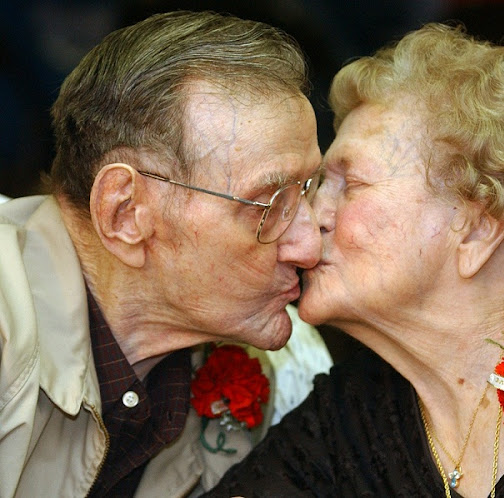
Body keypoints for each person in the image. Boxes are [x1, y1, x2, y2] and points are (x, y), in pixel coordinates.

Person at [209, 23, 504, 497]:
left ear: (477, 226)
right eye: (317, 187)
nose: (310, 219)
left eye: (348, 184)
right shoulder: (347, 421)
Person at [0, 10, 333, 498]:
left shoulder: (271, 376)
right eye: (269, 205)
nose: (310, 245)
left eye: (309, 190)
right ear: (125, 213)